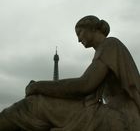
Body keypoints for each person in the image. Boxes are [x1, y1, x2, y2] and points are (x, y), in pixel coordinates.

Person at [0, 15, 140, 131]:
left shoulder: (110, 45)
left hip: (121, 117)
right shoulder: (104, 49)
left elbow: (85, 85)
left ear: (92, 28)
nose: (78, 39)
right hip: (114, 114)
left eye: (79, 33)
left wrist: (38, 86)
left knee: (34, 105)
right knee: (35, 105)